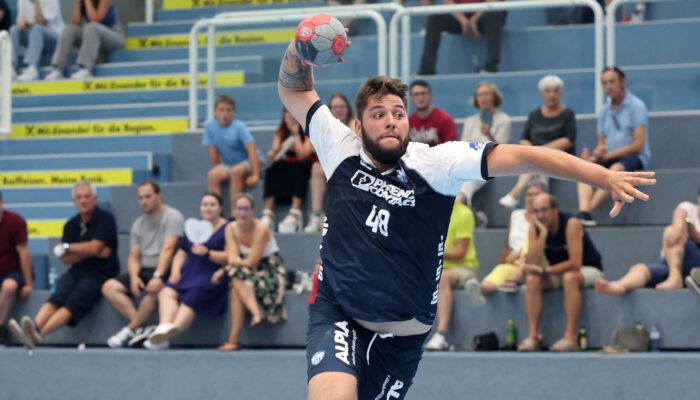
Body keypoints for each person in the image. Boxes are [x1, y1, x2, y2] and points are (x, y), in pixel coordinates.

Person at [277, 21, 653, 398]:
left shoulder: (438, 162)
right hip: (340, 312)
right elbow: (295, 89)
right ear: (358, 126)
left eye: (398, 112)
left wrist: (601, 176)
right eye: (378, 114)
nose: (390, 119)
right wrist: (299, 49)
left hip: (405, 332)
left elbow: (524, 156)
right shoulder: (340, 146)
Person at [10, 180, 119, 350]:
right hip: (76, 271)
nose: (83, 200)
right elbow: (66, 259)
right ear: (74, 202)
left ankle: (39, 335)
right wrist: (89, 251)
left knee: (73, 302)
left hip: (101, 274)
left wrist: (69, 247)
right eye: (79, 197)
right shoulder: (70, 225)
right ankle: (33, 327)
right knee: (58, 295)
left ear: (95, 199)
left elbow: (92, 248)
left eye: (87, 196)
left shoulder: (106, 219)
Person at [101, 181, 184, 348]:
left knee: (153, 291)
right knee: (108, 287)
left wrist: (158, 276)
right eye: (140, 198)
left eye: (148, 196)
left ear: (158, 196)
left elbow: (168, 250)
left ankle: (130, 329)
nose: (144, 201)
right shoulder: (138, 223)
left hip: (165, 269)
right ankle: (141, 326)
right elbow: (134, 255)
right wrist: (133, 278)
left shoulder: (173, 216)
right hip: (144, 268)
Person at [518, 193, 603, 352]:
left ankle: (570, 338)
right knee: (532, 280)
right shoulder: (536, 228)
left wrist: (545, 270)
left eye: (544, 210)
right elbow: (531, 262)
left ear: (555, 209)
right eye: (536, 211)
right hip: (559, 271)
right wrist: (542, 234)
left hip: (589, 268)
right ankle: (533, 336)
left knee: (570, 278)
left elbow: (575, 263)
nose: (540, 215)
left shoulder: (571, 223)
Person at [145, 193, 229, 350]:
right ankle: (163, 330)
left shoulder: (227, 229)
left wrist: (208, 253)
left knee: (191, 298)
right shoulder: (193, 228)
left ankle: (171, 332)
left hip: (211, 275)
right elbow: (181, 253)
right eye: (204, 204)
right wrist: (175, 271)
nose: (208, 208)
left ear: (221, 208)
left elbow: (230, 256)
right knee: (166, 291)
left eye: (212, 205)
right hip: (189, 273)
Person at [577, 66, 651, 226]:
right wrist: (598, 152)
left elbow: (638, 144)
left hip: (634, 157)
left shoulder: (637, 106)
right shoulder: (603, 111)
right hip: (609, 156)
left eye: (612, 81)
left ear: (622, 83)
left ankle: (587, 212)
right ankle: (583, 210)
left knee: (615, 169)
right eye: (604, 83)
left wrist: (608, 156)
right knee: (584, 166)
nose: (608, 86)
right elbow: (602, 143)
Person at [214, 193, 287, 351]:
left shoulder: (262, 229)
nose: (242, 212)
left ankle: (237, 335)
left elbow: (251, 260)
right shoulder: (230, 228)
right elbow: (232, 255)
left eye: (246, 208)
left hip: (269, 269)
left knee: (235, 278)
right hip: (244, 270)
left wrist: (227, 268)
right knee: (235, 283)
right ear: (233, 211)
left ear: (253, 210)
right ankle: (250, 321)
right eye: (239, 208)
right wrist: (230, 265)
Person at [595, 190, 700, 295]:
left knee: (671, 233)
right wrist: (683, 228)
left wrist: (694, 234)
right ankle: (621, 285)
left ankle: (675, 278)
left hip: (696, 265)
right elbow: (677, 227)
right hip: (672, 262)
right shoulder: (687, 207)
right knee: (642, 268)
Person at [499, 75, 576, 209]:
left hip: (559, 156)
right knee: (536, 164)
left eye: (556, 91)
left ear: (561, 93)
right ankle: (537, 208)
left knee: (538, 163)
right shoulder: (534, 115)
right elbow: (524, 139)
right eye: (548, 91)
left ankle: (516, 193)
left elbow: (568, 140)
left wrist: (541, 151)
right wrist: (534, 151)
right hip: (535, 155)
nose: (552, 94)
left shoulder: (568, 114)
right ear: (542, 94)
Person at [424, 199, 479, 351]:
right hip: (436, 268)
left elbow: (461, 252)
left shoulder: (464, 213)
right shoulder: (431, 212)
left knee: (442, 278)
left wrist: (433, 253)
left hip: (463, 268)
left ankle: (441, 335)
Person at [480, 181, 547, 296]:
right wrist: (502, 262)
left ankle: (514, 280)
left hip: (534, 262)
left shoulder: (546, 219)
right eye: (529, 194)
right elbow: (507, 244)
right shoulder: (516, 215)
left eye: (536, 194)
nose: (532, 198)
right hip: (513, 262)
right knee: (486, 287)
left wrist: (519, 254)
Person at [305, 93, 357, 233]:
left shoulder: (354, 124)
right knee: (316, 168)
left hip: (351, 165)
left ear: (348, 109)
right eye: (335, 107)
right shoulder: (324, 127)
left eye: (342, 106)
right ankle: (316, 215)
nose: (339, 110)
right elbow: (309, 149)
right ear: (329, 110)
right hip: (330, 165)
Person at [204, 95, 262, 216]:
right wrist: (218, 169)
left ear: (233, 112)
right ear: (215, 112)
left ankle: (234, 216)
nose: (225, 113)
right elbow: (213, 153)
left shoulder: (239, 127)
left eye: (228, 110)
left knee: (236, 171)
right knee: (212, 175)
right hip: (229, 164)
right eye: (221, 110)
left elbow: (252, 150)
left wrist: (256, 175)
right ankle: (216, 216)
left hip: (248, 161)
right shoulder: (209, 126)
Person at [418, 0, 507, 75]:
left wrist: (474, 19)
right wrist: (463, 21)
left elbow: (494, 1)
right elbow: (448, 2)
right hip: (461, 16)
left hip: (485, 14)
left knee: (493, 15)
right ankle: (427, 69)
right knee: (434, 18)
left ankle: (490, 68)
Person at [459, 81, 511, 207]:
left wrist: (489, 136)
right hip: (469, 161)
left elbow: (502, 150)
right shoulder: (470, 121)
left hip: (490, 164)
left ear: (494, 96)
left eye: (486, 94)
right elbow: (462, 146)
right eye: (479, 95)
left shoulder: (504, 119)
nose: (482, 98)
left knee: (466, 184)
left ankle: (454, 215)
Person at [261, 108, 313, 233]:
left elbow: (303, 154)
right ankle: (268, 213)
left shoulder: (308, 130)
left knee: (299, 166)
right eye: (287, 113)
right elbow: (276, 152)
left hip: (303, 164)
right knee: (272, 168)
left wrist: (295, 133)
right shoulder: (280, 131)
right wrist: (272, 153)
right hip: (285, 164)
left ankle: (295, 212)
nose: (290, 116)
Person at [44, 0, 124, 80]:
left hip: (113, 35)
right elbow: (75, 23)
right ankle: (58, 69)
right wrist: (77, 5)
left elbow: (96, 20)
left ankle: (85, 69)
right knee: (68, 30)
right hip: (93, 35)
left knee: (92, 27)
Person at [0, 190, 33, 347]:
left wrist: (28, 284)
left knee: (9, 286)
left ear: (1, 203)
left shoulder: (15, 221)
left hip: (14, 270)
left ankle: (0, 326)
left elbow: (24, 253)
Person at [10, 0, 64, 81]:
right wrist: (21, 24)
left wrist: (36, 2)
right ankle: (11, 67)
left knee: (37, 28)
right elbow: (20, 20)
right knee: (14, 30)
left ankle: (32, 68)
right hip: (33, 35)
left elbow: (42, 22)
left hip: (54, 38)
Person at [407, 80, 457, 147]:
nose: (420, 97)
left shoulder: (445, 119)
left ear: (430, 95)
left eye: (423, 93)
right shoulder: (408, 122)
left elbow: (452, 148)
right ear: (411, 98)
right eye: (416, 94)